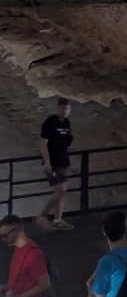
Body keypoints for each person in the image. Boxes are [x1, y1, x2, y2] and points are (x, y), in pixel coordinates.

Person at [37, 99, 73, 231]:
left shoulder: (67, 123)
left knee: (61, 191)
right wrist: (47, 162)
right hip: (52, 162)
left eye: (67, 109)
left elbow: (66, 141)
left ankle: (57, 219)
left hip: (62, 161)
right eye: (63, 108)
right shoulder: (50, 122)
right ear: (58, 108)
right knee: (60, 190)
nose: (65, 111)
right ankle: (42, 216)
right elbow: (42, 143)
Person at [1, 215, 51, 297]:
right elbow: (21, 276)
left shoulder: (34, 254)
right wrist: (7, 287)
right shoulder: (18, 248)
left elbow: (45, 284)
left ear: (17, 230)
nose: (3, 239)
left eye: (5, 235)